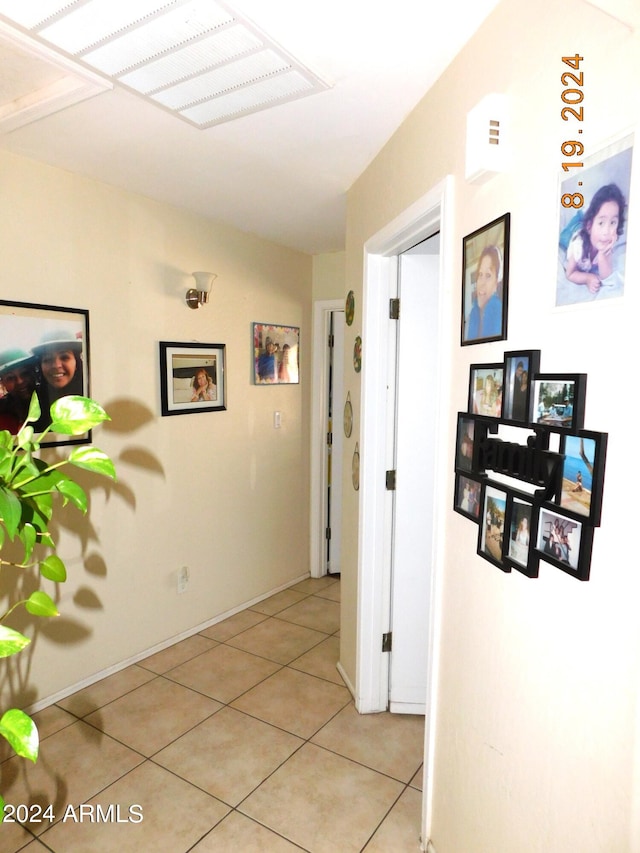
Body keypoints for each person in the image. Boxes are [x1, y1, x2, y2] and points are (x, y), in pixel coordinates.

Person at [565, 183, 626, 294]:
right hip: (577, 235)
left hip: (589, 231)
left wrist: (602, 255)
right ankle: (581, 214)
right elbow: (570, 273)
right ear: (590, 226)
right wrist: (588, 278)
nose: (607, 231)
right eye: (601, 223)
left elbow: (606, 277)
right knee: (571, 230)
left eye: (613, 222)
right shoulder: (578, 246)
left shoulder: (608, 242)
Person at [32, 330, 84, 407]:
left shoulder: (92, 394)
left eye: (64, 357)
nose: (56, 365)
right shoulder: (34, 404)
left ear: (77, 362)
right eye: (48, 359)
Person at [465, 245, 503, 341]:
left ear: (496, 282)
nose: (482, 282)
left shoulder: (499, 314)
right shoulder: (470, 318)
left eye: (488, 275)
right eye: (480, 274)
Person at [0, 349, 40, 433]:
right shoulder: (3, 415)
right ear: (3, 383)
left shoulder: (51, 403)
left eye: (25, 373)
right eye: (10, 378)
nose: (20, 381)